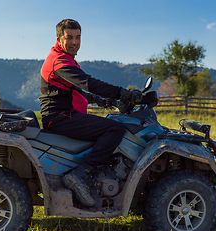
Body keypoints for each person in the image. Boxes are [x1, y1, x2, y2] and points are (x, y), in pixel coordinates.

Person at [39, 19, 141, 207]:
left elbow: (71, 90)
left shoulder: (62, 57)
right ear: (59, 38)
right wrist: (122, 93)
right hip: (60, 117)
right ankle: (79, 176)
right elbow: (86, 82)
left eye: (78, 37)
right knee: (115, 129)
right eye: (69, 37)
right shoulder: (59, 61)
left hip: (62, 115)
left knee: (109, 125)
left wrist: (101, 101)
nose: (75, 42)